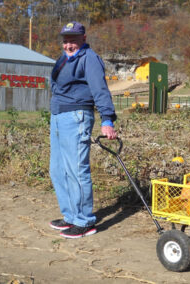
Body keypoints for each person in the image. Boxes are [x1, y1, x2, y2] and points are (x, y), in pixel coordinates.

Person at [49, 21, 117, 239]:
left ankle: (85, 221)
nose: (68, 44)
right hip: (59, 116)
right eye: (66, 40)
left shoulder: (90, 59)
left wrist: (107, 119)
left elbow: (100, 89)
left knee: (77, 170)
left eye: (73, 40)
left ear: (83, 39)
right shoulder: (64, 59)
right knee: (58, 169)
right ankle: (70, 216)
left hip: (77, 116)